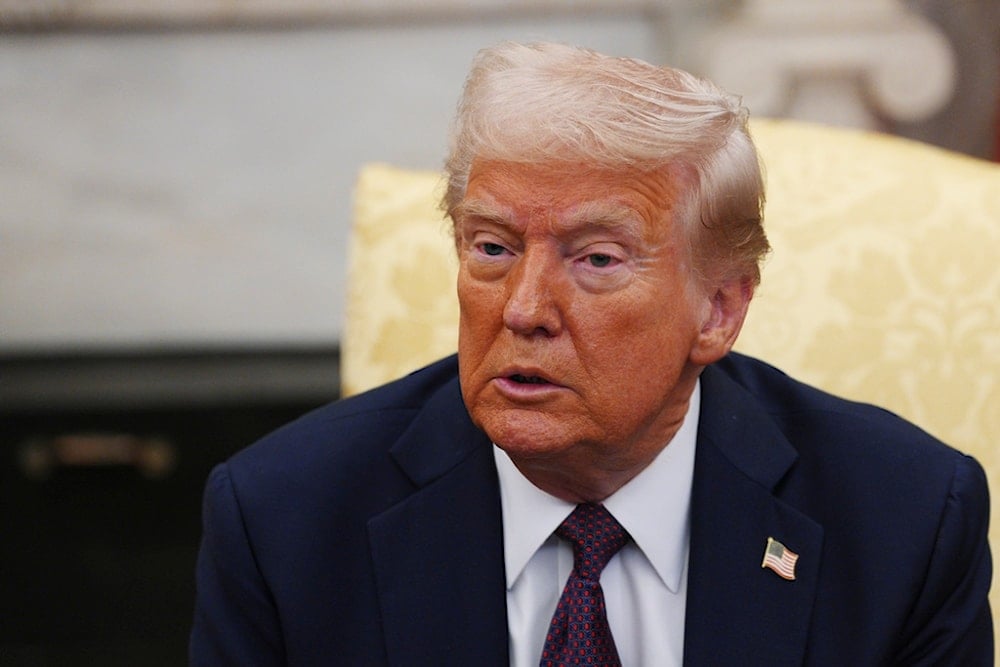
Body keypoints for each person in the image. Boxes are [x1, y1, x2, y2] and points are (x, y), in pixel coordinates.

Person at [189, 42, 992, 666]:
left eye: (597, 259)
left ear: (718, 309)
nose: (525, 308)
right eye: (494, 247)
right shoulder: (283, 522)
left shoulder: (904, 522)